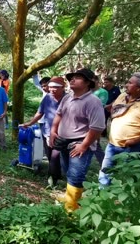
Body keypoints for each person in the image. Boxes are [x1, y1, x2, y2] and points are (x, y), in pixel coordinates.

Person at [50, 68, 105, 212]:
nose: (72, 80)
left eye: (77, 78)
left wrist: (84, 145)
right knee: (68, 171)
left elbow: (97, 127)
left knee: (75, 175)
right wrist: (53, 130)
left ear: (87, 83)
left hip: (80, 142)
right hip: (64, 140)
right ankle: (71, 198)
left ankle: (72, 210)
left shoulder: (93, 102)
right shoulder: (68, 97)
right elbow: (59, 114)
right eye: (71, 78)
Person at [98, 72, 140, 187]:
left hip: (134, 147)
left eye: (130, 83)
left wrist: (134, 141)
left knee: (131, 176)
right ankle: (102, 196)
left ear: (139, 88)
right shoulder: (122, 96)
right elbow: (114, 109)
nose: (126, 85)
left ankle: (130, 201)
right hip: (112, 143)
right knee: (105, 172)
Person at [20, 76, 66, 187]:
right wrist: (30, 123)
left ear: (63, 87)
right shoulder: (48, 98)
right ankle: (56, 176)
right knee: (51, 156)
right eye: (50, 87)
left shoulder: (69, 99)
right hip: (48, 131)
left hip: (64, 133)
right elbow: (40, 112)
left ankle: (57, 178)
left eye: (55, 87)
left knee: (61, 156)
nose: (52, 90)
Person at [92, 75, 108, 164]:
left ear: (97, 81)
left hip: (97, 119)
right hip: (86, 121)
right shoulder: (88, 91)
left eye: (93, 80)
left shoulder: (103, 92)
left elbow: (101, 105)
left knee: (95, 143)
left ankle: (104, 164)